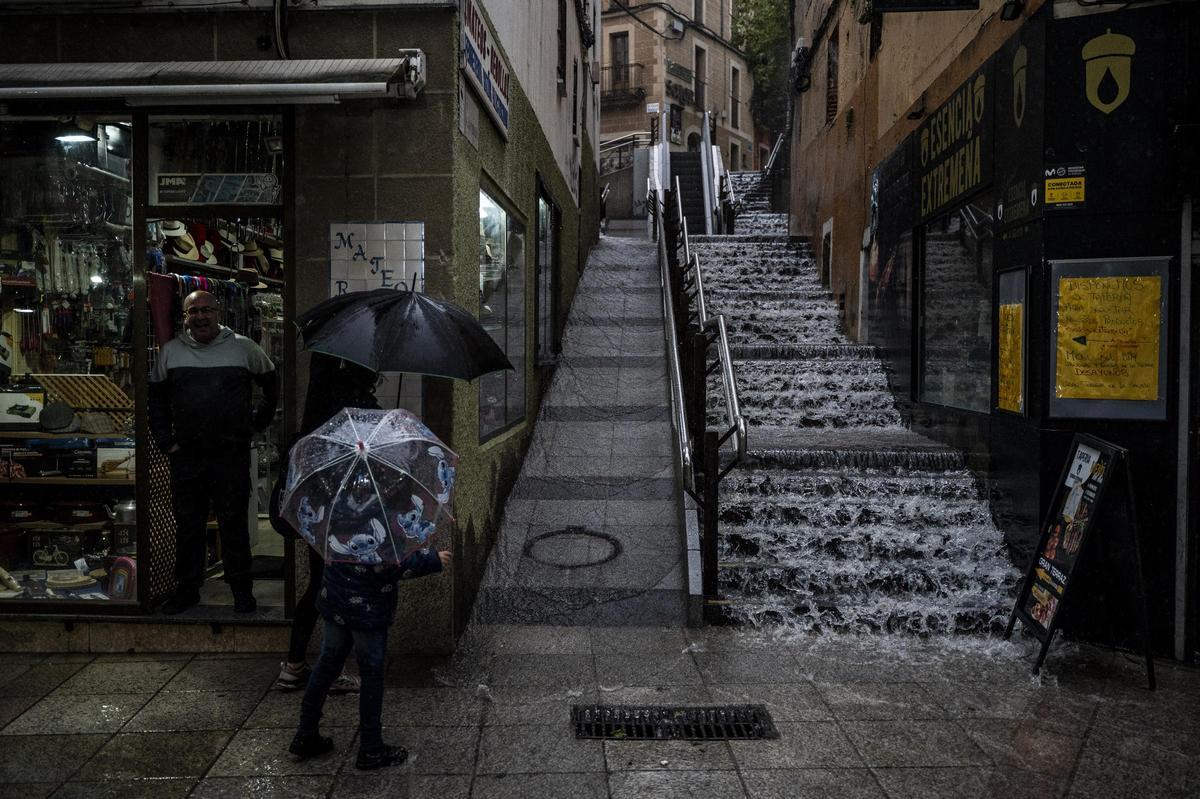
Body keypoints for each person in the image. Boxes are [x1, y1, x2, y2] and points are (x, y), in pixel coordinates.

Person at [149, 290, 279, 614]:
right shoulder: (171, 353)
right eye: (193, 311)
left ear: (218, 312)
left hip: (230, 454)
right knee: (188, 525)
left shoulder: (244, 347)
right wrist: (167, 441)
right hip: (188, 456)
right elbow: (156, 401)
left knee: (233, 525)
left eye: (206, 310)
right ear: (185, 317)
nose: (201, 317)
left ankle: (241, 591)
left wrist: (256, 423)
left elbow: (272, 384)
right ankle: (187, 590)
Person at [289, 538, 451, 769]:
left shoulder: (333, 512)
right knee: (372, 672)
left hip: (335, 600)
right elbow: (388, 564)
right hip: (367, 609)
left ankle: (306, 732)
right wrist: (433, 559)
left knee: (327, 663)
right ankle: (371, 747)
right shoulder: (376, 520)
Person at [273, 353, 380, 692]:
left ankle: (293, 665)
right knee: (344, 590)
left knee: (318, 585)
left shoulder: (319, 400)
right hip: (346, 511)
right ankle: (332, 671)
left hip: (314, 508)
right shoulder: (361, 406)